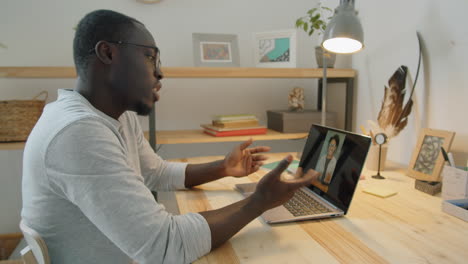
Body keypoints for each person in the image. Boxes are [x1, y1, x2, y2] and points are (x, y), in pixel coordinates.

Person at [21, 10, 317, 264]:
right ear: (108, 53)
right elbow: (165, 246)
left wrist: (224, 168)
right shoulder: (77, 132)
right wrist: (259, 201)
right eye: (150, 57)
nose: (160, 73)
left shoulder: (115, 115)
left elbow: (156, 173)